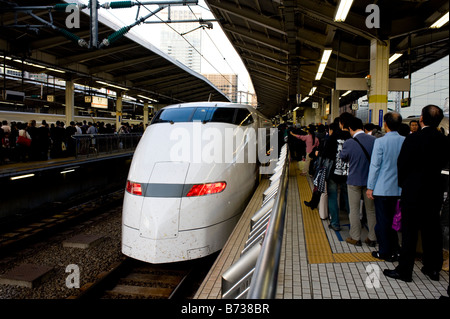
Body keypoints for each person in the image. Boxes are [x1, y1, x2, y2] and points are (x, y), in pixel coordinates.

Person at [384, 105, 450, 283]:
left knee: (410, 231)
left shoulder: (413, 139)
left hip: (413, 191)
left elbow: (402, 164)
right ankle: (433, 269)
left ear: (421, 119)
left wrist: (404, 185)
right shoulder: (444, 140)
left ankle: (405, 271)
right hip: (435, 191)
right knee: (432, 230)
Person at [366, 112, 405, 261]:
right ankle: (396, 249)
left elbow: (375, 166)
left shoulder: (380, 142)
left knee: (383, 221)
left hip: (382, 189)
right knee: (395, 220)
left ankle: (384, 252)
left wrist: (370, 187)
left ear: (385, 124)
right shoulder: (405, 140)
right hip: (399, 189)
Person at [340, 116, 377, 246]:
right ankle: (372, 238)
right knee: (371, 210)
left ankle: (355, 237)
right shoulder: (374, 140)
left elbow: (343, 157)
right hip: (370, 182)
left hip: (354, 180)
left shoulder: (349, 142)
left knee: (354, 209)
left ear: (350, 128)